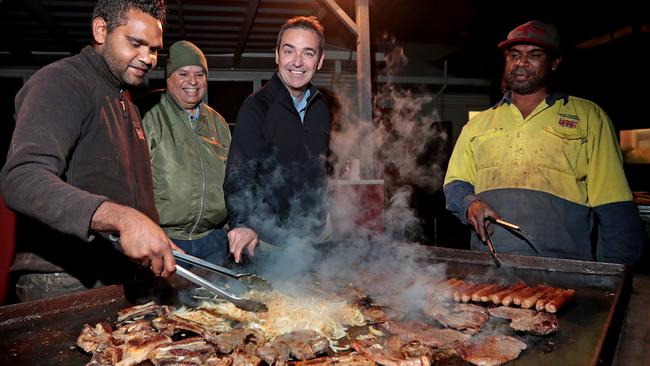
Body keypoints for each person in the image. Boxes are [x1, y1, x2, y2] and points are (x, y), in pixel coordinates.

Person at [0, 0, 179, 302]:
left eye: (154, 49)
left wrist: (154, 239)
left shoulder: (124, 98)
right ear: (100, 30)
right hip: (62, 279)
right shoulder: (61, 82)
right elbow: (22, 178)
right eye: (136, 43)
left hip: (113, 274)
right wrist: (123, 219)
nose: (148, 58)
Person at [443, 20, 644, 267]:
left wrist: (619, 272)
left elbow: (615, 204)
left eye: (534, 55)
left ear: (555, 62)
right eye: (514, 55)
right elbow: (455, 183)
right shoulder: (478, 125)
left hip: (565, 270)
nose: (521, 62)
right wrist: (469, 203)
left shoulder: (588, 117)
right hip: (490, 268)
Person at [224, 16, 331, 263]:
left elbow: (320, 166)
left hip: (313, 237)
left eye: (308, 53)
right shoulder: (256, 106)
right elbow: (238, 175)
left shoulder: (321, 106)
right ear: (277, 55)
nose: (297, 62)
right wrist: (242, 223)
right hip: (270, 241)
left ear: (320, 60)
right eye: (289, 50)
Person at [140, 40, 236, 265]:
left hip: (213, 241)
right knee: (165, 301)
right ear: (168, 77)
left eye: (200, 74)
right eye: (183, 73)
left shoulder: (217, 121)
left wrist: (229, 229)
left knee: (214, 301)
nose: (193, 81)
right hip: (167, 240)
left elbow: (232, 179)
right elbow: (131, 181)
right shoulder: (149, 113)